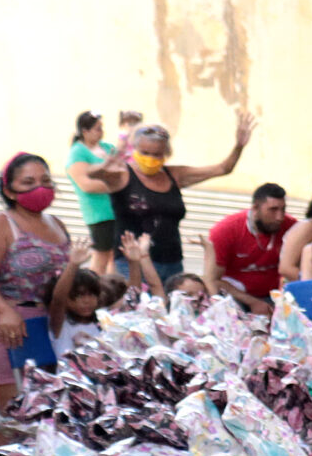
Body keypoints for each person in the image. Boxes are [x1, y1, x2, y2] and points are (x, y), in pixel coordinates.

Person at [0, 153, 76, 435]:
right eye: (28, 182)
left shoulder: (57, 224)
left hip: (53, 328)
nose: (39, 188)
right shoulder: (0, 225)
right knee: (15, 419)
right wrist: (4, 311)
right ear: (9, 190)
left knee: (51, 417)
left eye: (45, 180)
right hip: (12, 332)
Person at [89, 110, 257, 286]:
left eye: (157, 154)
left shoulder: (174, 175)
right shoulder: (123, 175)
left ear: (166, 154)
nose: (150, 159)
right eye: (145, 153)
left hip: (171, 261)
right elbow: (93, 175)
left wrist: (239, 146)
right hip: (133, 261)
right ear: (135, 150)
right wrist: (109, 161)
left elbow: (222, 169)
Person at [203, 183, 291, 313]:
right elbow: (212, 280)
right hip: (237, 297)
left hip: (275, 296)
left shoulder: (292, 227)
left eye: (283, 209)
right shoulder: (226, 230)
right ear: (255, 208)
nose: (280, 217)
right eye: (273, 210)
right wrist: (252, 302)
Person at [67, 111, 121, 277]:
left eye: (101, 128)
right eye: (97, 129)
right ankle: (93, 288)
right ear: (85, 131)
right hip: (99, 211)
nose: (101, 132)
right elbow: (86, 184)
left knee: (116, 255)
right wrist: (113, 184)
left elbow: (121, 170)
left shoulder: (107, 148)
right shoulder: (78, 152)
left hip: (117, 208)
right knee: (102, 254)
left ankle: (112, 290)